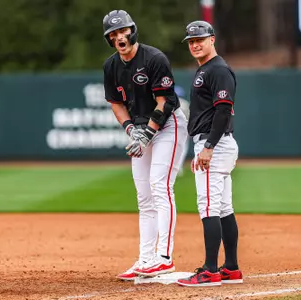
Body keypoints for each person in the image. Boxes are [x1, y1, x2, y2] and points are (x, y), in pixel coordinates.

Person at [102, 10, 188, 280]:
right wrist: (131, 131)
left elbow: (164, 102)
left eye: (123, 30)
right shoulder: (111, 66)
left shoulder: (154, 58)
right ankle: (145, 258)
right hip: (139, 128)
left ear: (133, 30)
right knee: (144, 197)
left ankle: (164, 257)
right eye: (113, 34)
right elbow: (116, 104)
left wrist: (147, 133)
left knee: (160, 187)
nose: (119, 36)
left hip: (168, 126)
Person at [176, 21, 243, 287]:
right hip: (217, 144)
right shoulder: (206, 69)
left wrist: (208, 148)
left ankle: (210, 270)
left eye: (199, 39)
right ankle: (231, 268)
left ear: (212, 39)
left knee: (208, 207)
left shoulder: (218, 69)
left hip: (214, 144)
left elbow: (223, 110)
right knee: (224, 207)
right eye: (191, 41)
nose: (194, 44)